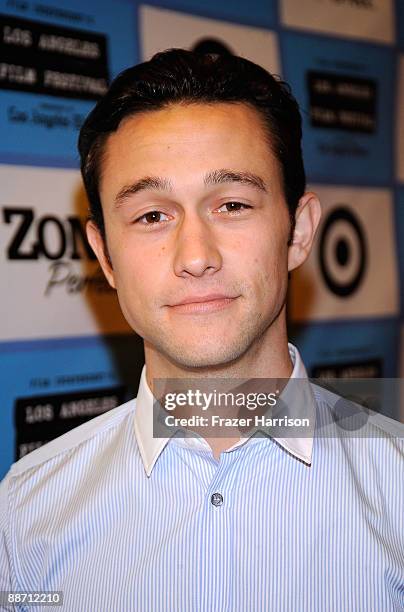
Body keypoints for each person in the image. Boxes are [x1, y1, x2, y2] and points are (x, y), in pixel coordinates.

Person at [0, 49, 403, 612]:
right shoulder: (26, 512)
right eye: (151, 216)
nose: (195, 257)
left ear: (299, 232)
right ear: (104, 257)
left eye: (233, 204)